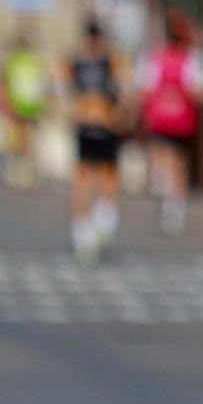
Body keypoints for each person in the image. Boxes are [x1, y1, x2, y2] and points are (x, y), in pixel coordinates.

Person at [141, 10, 203, 234]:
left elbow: (145, 89)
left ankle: (164, 191)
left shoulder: (155, 58)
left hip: (160, 117)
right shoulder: (193, 60)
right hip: (182, 119)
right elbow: (199, 92)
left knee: (162, 157)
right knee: (178, 163)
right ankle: (175, 205)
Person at [67, 18, 129, 262]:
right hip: (85, 129)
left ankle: (104, 222)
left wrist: (119, 118)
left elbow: (126, 94)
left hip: (106, 129)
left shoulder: (112, 64)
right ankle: (82, 234)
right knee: (82, 180)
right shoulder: (75, 64)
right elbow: (62, 93)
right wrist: (73, 114)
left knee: (107, 179)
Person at [0, 33, 48, 190]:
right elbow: (41, 85)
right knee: (27, 141)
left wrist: (6, 103)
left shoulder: (13, 61)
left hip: (17, 105)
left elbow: (6, 83)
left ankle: (15, 173)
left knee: (16, 140)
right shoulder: (35, 62)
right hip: (31, 106)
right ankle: (27, 175)